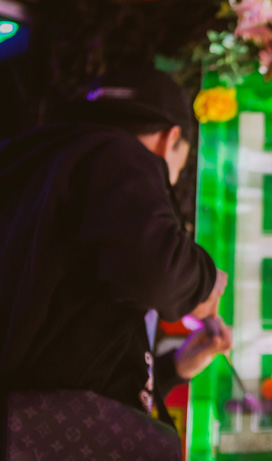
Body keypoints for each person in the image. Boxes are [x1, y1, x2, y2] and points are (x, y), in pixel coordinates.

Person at [0, 66, 231, 421]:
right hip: (52, 444)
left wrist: (173, 370)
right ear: (169, 140)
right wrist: (204, 284)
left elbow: (59, 339)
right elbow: (156, 272)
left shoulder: (32, 159)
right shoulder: (120, 153)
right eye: (179, 170)